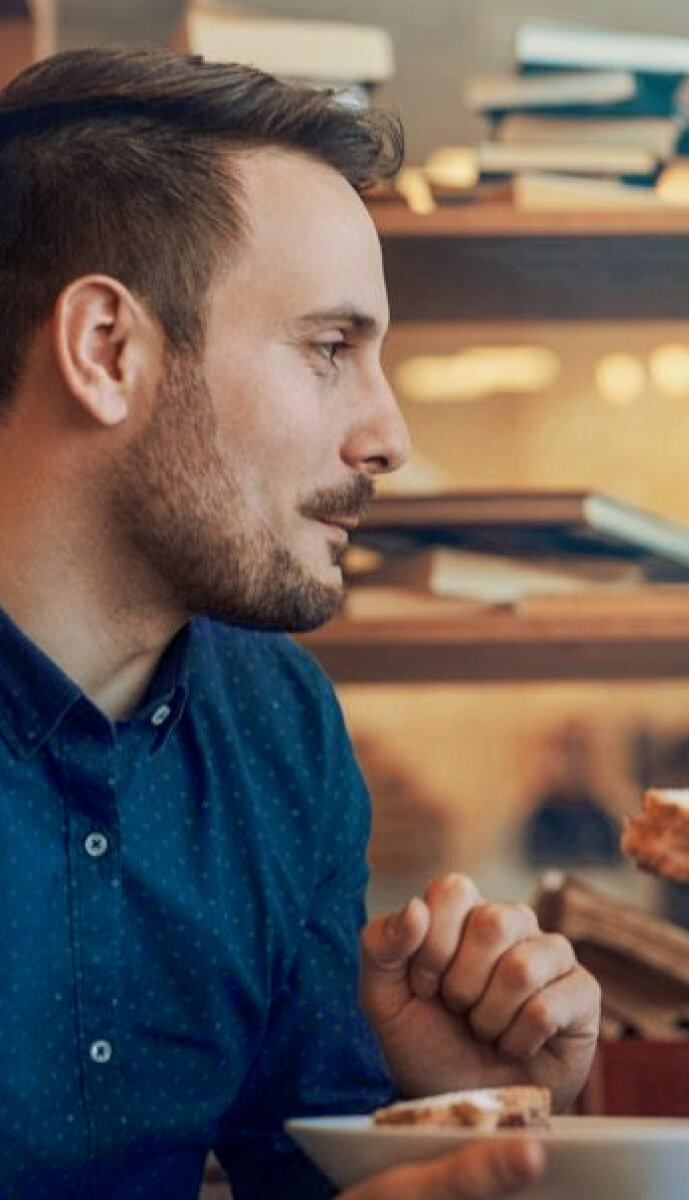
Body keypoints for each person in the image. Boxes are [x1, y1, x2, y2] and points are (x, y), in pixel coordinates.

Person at [0, 47, 601, 1200]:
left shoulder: (276, 721)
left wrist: (437, 1119)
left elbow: (312, 1174)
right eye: (331, 349)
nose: (390, 435)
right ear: (105, 351)